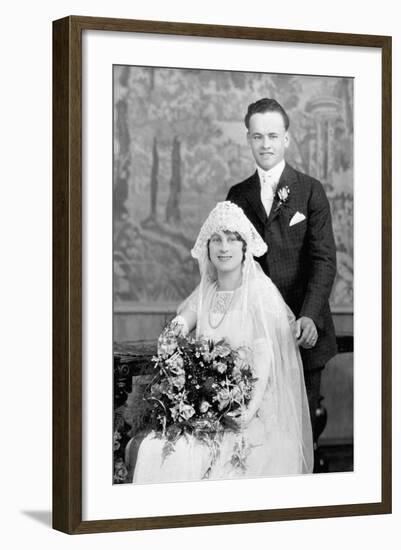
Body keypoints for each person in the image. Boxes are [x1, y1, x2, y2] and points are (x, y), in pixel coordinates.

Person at [132, 201, 313, 484]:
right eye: (216, 239)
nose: (223, 247)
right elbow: (181, 324)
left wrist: (248, 410)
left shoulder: (258, 295)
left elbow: (264, 361)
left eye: (232, 239)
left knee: (215, 462)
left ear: (244, 249)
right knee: (159, 451)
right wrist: (173, 337)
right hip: (206, 404)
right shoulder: (206, 293)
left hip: (250, 409)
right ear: (208, 248)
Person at [226, 98, 337, 441]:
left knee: (301, 433)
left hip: (304, 329)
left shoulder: (310, 191)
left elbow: (324, 260)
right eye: (257, 137)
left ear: (286, 138)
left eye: (273, 136)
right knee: (261, 433)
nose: (266, 145)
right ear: (249, 139)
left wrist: (309, 316)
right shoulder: (237, 194)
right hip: (256, 333)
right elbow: (231, 263)